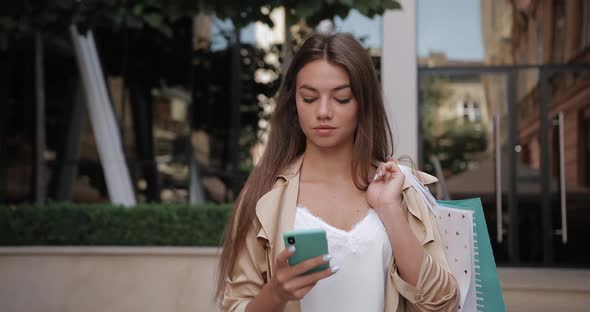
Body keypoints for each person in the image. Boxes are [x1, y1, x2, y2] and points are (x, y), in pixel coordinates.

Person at [216, 32, 459, 312]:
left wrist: (389, 209)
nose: (323, 111)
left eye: (341, 98)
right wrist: (276, 292)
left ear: (363, 104)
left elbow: (442, 304)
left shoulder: (400, 189)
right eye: (308, 98)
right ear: (294, 104)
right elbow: (236, 305)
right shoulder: (266, 196)